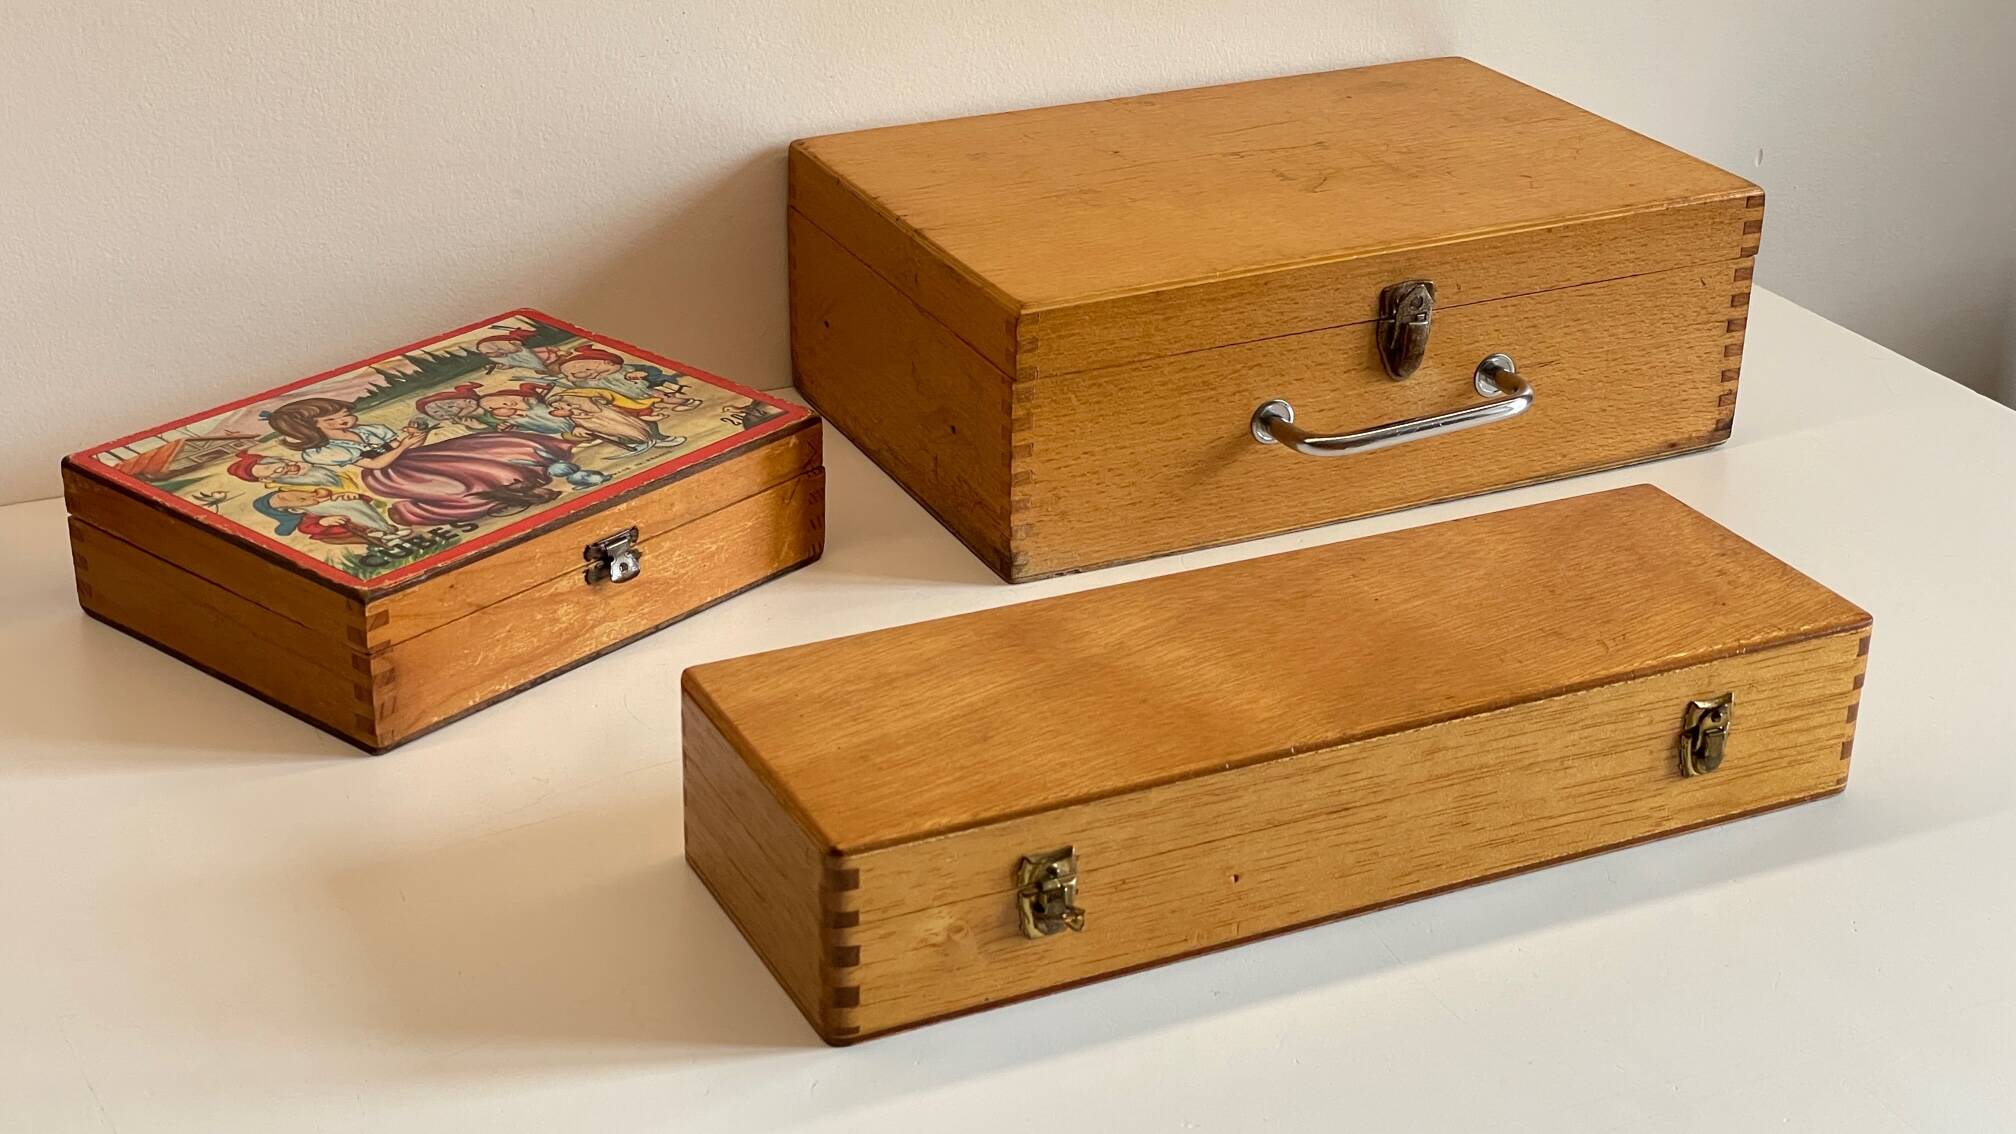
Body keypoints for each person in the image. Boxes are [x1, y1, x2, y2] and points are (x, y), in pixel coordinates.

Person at [263, 396, 574, 525]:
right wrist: (403, 446)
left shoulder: (367, 428)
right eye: (337, 419)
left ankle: (532, 470)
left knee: (480, 450)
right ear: (313, 427)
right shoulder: (321, 451)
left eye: (347, 414)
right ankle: (506, 495)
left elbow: (400, 444)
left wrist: (414, 438)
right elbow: (375, 465)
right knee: (459, 483)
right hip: (392, 476)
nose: (348, 419)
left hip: (415, 457)